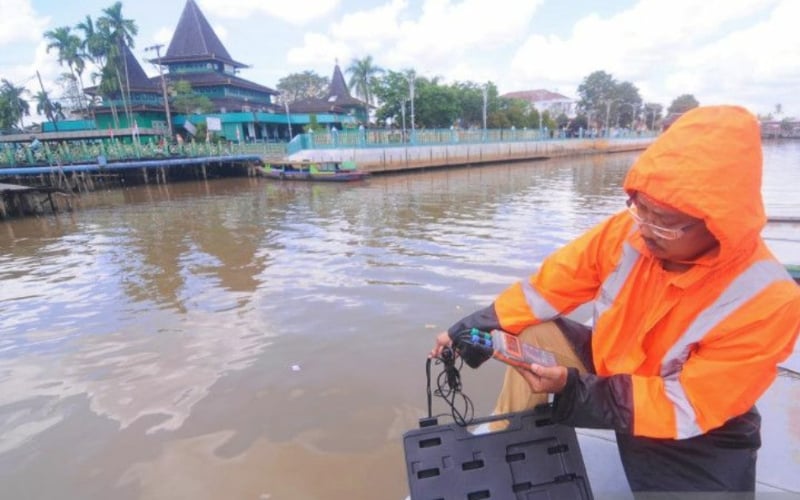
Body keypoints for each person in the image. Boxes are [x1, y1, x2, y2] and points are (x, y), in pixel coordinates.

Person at [430, 105, 800, 497]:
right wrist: (473, 327)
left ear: (718, 224)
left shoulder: (769, 300)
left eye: (664, 221)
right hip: (611, 374)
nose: (646, 229)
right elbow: (549, 287)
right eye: (641, 208)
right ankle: (508, 445)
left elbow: (689, 405)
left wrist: (577, 392)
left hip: (697, 431)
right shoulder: (628, 231)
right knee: (532, 332)